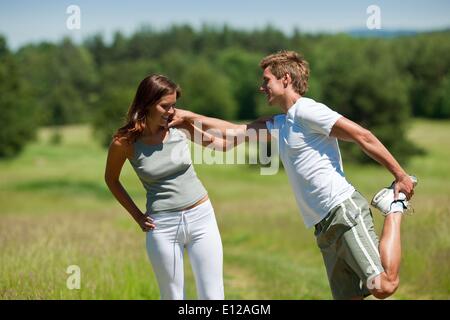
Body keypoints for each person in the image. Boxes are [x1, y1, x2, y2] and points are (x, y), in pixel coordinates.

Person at [169, 51, 417, 300]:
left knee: (384, 285)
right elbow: (229, 137)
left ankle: (394, 206)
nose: (261, 87)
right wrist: (188, 122)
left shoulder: (308, 111)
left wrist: (400, 175)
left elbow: (362, 136)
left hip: (343, 209)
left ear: (285, 79)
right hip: (322, 226)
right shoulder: (281, 123)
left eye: (266, 80)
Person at [104, 74, 229, 300]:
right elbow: (111, 180)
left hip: (201, 217)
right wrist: (137, 216)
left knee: (213, 296)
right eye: (165, 106)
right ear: (148, 103)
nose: (172, 111)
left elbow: (222, 146)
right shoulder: (124, 142)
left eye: (174, 105)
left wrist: (192, 120)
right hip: (162, 227)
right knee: (172, 296)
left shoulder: (180, 127)